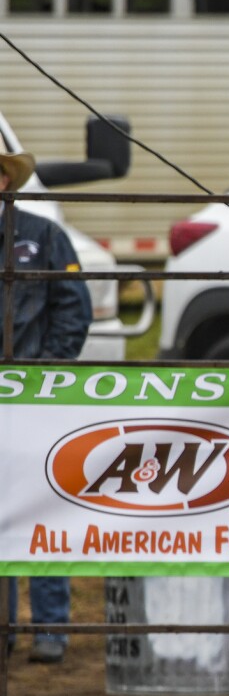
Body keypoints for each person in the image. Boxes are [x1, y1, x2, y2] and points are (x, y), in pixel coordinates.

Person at [1, 146, 89, 664]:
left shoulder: (42, 235)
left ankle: (49, 625)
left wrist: (46, 373)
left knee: (40, 506)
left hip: (33, 394)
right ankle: (9, 625)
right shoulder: (38, 234)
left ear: (4, 179)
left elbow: (73, 307)